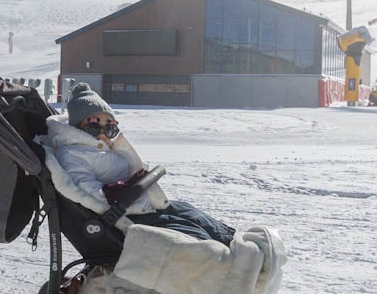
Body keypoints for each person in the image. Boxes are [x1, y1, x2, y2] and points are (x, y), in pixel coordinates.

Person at [43, 81, 236, 246]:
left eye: (110, 128)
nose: (103, 133)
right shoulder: (73, 153)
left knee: (190, 213)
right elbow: (87, 192)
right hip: (128, 213)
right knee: (189, 234)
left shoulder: (100, 148)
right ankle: (225, 262)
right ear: (78, 128)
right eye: (94, 125)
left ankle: (233, 242)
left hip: (142, 202)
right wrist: (130, 197)